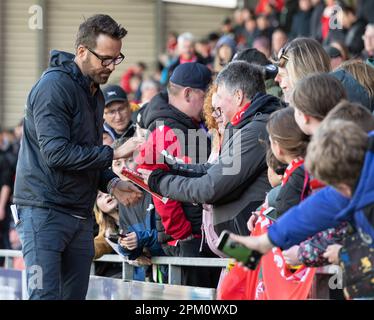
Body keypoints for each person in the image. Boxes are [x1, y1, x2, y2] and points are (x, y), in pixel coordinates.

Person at [13, 14, 143, 300]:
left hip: (80, 215)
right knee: (43, 296)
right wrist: (115, 152)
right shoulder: (53, 87)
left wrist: (111, 183)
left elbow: (86, 155)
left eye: (116, 58)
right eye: (104, 59)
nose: (110, 66)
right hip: (43, 212)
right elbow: (57, 154)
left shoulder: (94, 94)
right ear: (82, 51)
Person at [140, 61, 284, 237]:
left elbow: (210, 187)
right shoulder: (244, 126)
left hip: (248, 238)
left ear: (238, 96)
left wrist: (161, 182)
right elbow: (213, 170)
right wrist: (172, 169)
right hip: (240, 238)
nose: (214, 108)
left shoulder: (255, 129)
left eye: (219, 97)